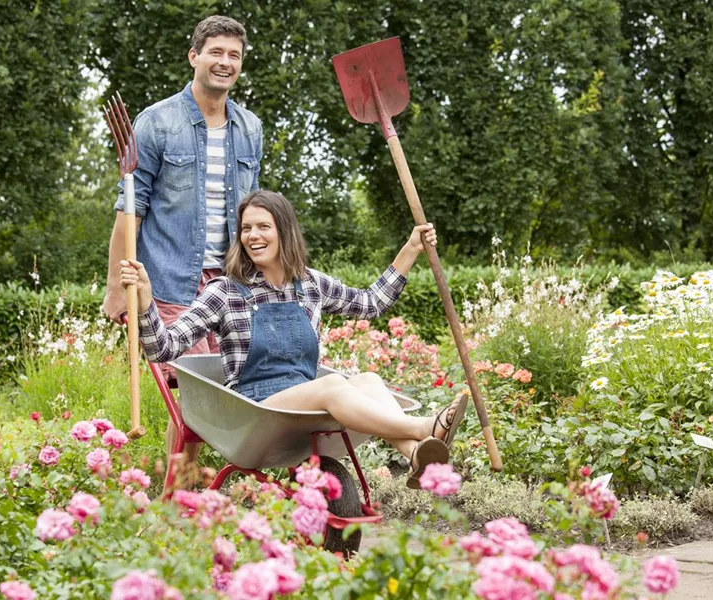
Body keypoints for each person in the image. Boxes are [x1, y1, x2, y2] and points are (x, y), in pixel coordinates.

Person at [120, 190, 464, 488]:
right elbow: (163, 347)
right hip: (256, 411)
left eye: (263, 226)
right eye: (246, 228)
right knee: (332, 387)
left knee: (369, 380)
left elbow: (370, 303)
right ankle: (423, 427)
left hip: (303, 408)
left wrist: (411, 249)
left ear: (284, 231)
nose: (253, 235)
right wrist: (147, 300)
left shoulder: (311, 285)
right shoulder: (225, 292)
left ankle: (417, 454)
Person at [103, 15, 263, 464]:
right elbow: (129, 209)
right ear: (194, 56)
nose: (225, 62)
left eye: (234, 55)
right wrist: (118, 287)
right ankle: (181, 500)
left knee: (240, 389)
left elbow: (254, 215)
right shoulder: (156, 123)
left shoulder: (250, 127)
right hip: (172, 281)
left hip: (232, 282)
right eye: (216, 52)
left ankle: (224, 487)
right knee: (193, 392)